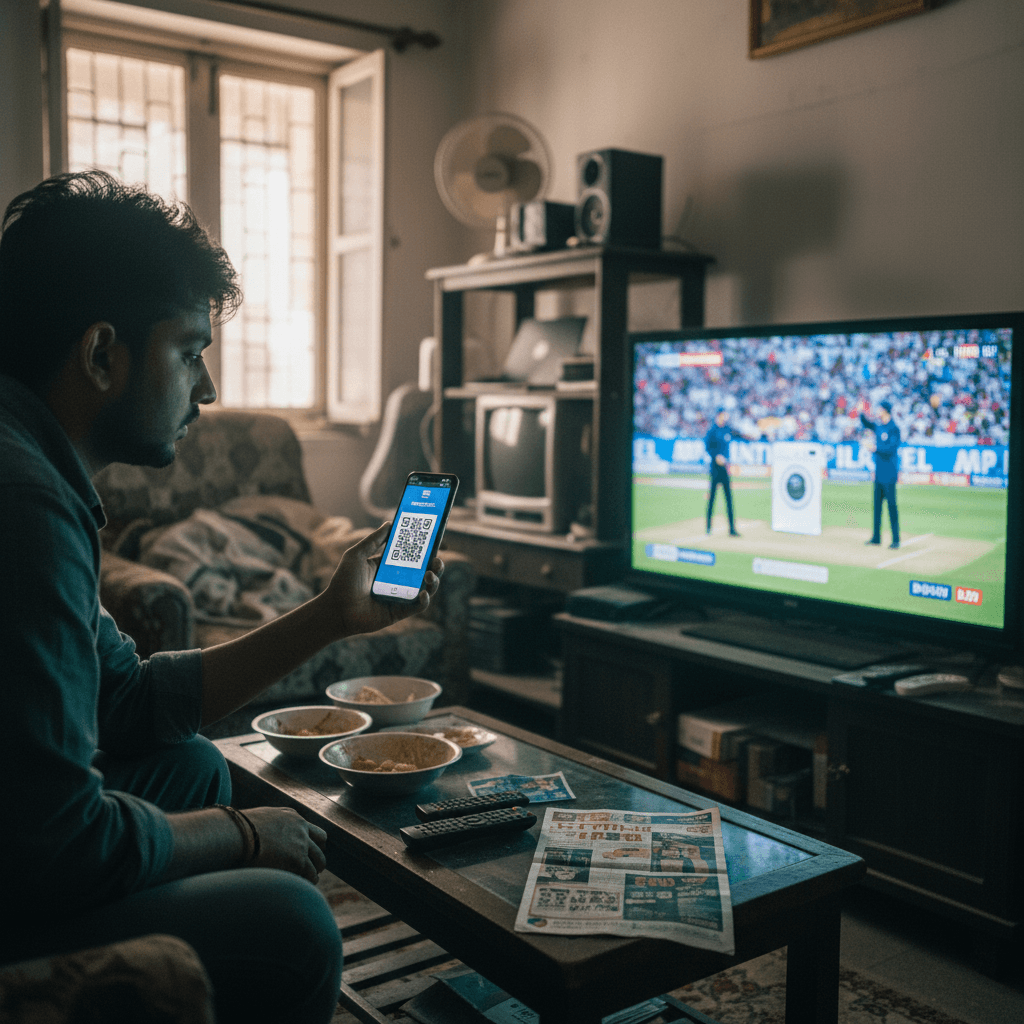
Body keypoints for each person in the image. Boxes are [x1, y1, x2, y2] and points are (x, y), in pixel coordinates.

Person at [0, 171, 443, 1024]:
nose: (206, 392)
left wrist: (328, 616)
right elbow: (53, 846)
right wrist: (243, 836)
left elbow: (128, 703)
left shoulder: (32, 463)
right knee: (294, 920)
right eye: (190, 351)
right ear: (102, 353)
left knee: (198, 765)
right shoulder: (22, 502)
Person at [860, 399, 901, 549]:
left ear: (885, 410)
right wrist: (861, 410)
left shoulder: (894, 428)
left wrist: (874, 448)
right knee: (877, 507)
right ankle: (876, 537)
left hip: (889, 474)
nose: (877, 411)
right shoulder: (879, 427)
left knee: (891, 507)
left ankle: (896, 539)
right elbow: (866, 423)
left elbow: (891, 449)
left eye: (879, 409)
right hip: (878, 473)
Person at [704, 409, 739, 536]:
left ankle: (732, 529)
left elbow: (738, 434)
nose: (726, 416)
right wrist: (716, 456)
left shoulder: (727, 429)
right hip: (715, 469)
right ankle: (708, 527)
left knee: (729, 499)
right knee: (712, 498)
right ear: (719, 415)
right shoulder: (712, 430)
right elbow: (707, 447)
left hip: (725, 469)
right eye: (724, 414)